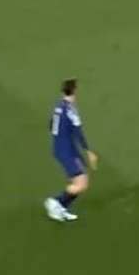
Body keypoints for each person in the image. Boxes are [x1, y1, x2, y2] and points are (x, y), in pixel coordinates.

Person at [44, 79, 98, 222]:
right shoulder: (70, 110)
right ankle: (55, 202)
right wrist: (88, 151)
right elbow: (78, 132)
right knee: (81, 184)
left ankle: (61, 207)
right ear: (74, 91)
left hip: (62, 148)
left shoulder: (58, 106)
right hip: (67, 151)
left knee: (80, 181)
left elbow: (51, 125)